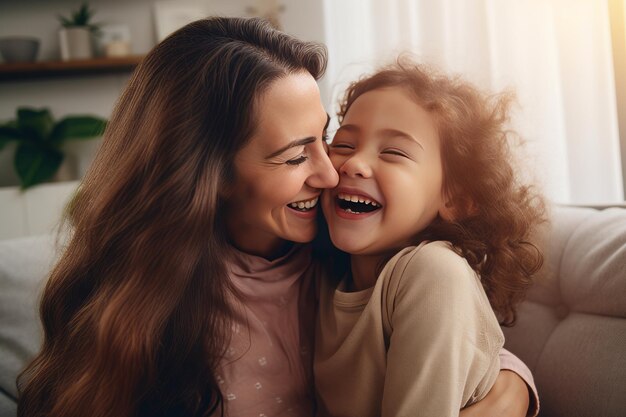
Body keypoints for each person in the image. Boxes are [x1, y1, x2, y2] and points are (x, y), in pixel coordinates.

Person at [17, 18, 536, 417]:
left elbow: (454, 336)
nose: (333, 173)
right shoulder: (143, 293)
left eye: (323, 138)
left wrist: (512, 390)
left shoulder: (341, 253)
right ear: (208, 175)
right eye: (294, 155)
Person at [315, 59, 545, 417]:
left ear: (454, 199)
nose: (353, 163)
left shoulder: (435, 271)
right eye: (343, 144)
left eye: (393, 152)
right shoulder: (326, 274)